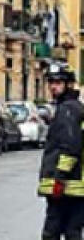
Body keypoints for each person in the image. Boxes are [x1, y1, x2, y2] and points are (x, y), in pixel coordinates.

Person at [40, 62, 84, 240]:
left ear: (68, 84)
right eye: (51, 82)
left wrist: (59, 178)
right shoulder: (72, 107)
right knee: (72, 232)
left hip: (66, 186)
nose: (53, 86)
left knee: (52, 233)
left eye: (58, 82)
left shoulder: (68, 110)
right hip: (73, 186)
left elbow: (71, 147)